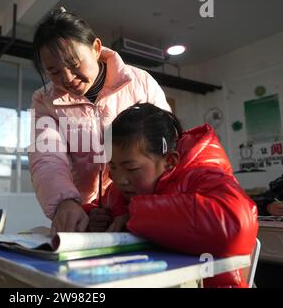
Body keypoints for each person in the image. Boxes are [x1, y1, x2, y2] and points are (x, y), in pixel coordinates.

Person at [28, 7, 170, 233]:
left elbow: (167, 146)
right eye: (54, 72)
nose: (67, 78)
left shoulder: (139, 83)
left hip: (143, 207)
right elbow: (47, 157)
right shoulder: (45, 101)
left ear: (95, 48)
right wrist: (66, 203)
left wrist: (136, 208)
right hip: (83, 215)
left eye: (74, 64)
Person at [86, 103, 258, 287]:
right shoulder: (120, 190)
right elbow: (102, 208)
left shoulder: (202, 173)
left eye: (131, 168)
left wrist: (137, 216)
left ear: (169, 161)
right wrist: (93, 217)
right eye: (112, 167)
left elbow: (237, 225)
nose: (119, 179)